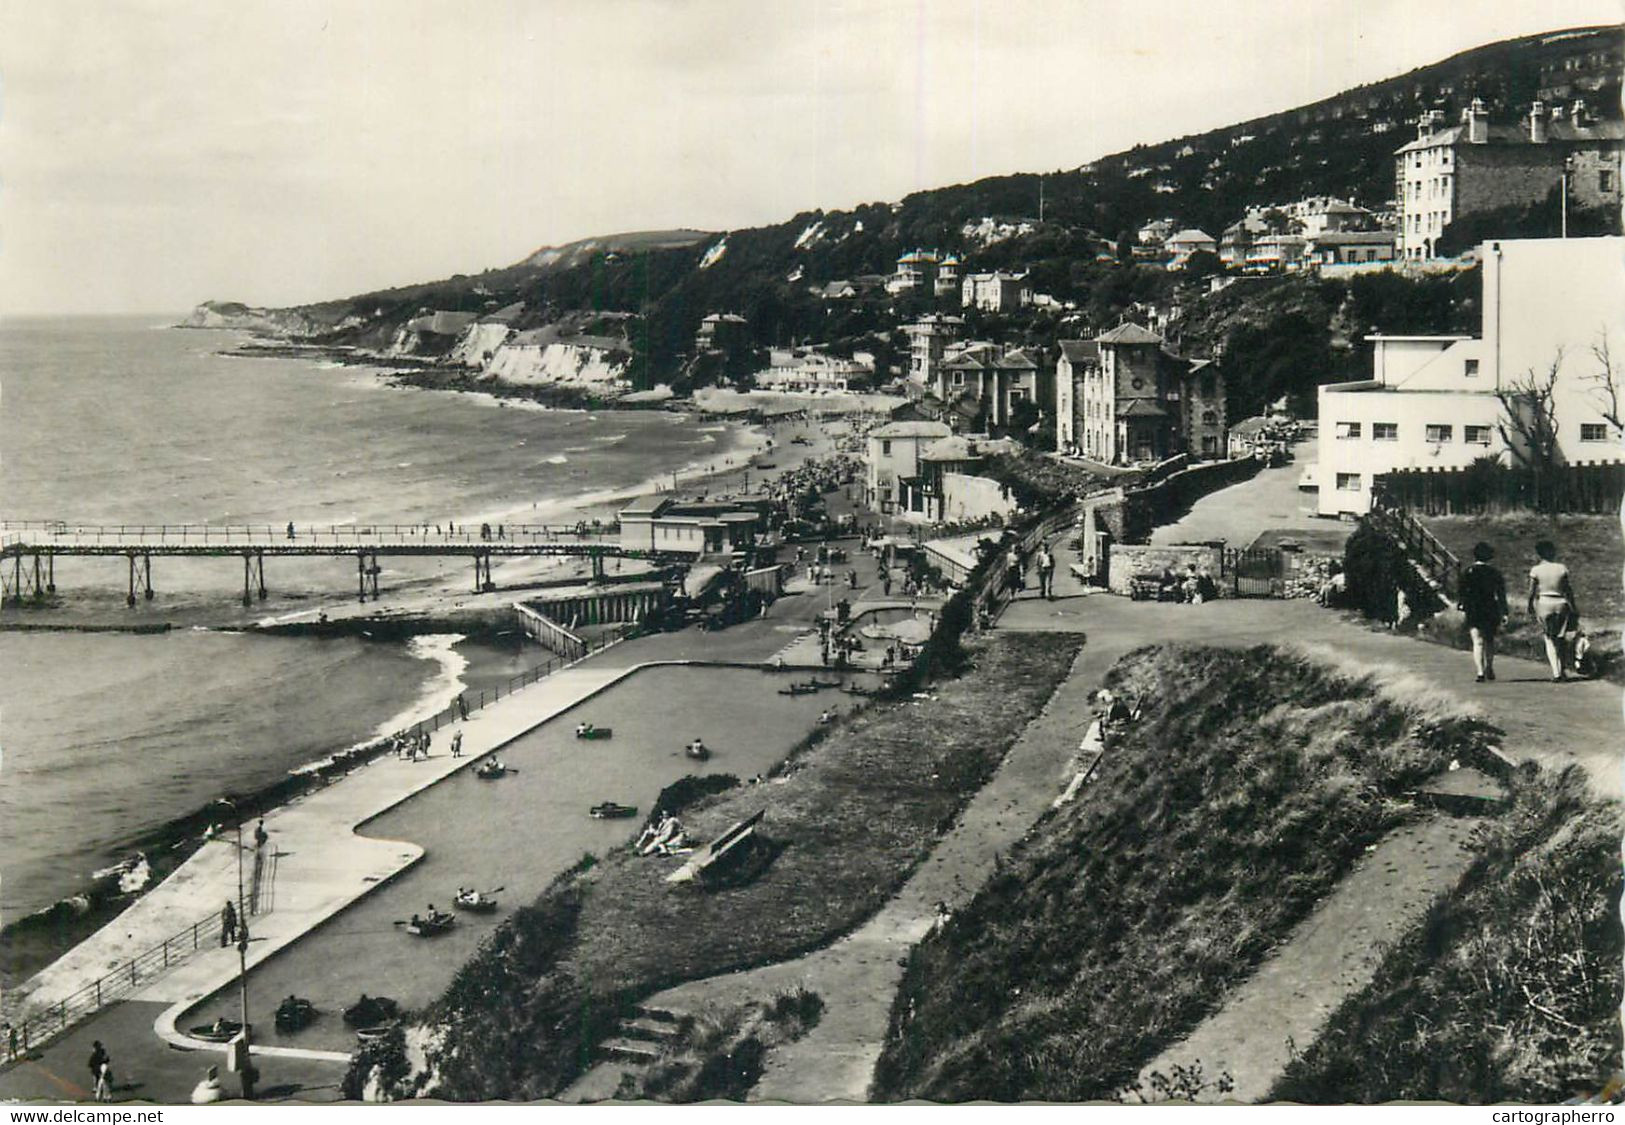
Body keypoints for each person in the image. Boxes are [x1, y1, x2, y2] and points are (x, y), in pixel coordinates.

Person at [1527, 539, 1579, 682]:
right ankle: (1563, 670)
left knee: (1549, 638)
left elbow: (1531, 591)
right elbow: (1568, 590)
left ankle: (1556, 673)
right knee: (1561, 638)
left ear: (1539, 554)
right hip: (1561, 602)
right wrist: (1573, 607)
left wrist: (1530, 605)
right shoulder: (1561, 568)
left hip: (1544, 602)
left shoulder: (1536, 570)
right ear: (1552, 552)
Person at [1458, 542, 1508, 683]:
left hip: (1473, 609)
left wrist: (1462, 605)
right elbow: (1501, 594)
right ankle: (1489, 667)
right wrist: (1504, 612)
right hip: (1490, 608)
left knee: (1477, 641)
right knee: (1489, 640)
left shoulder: (1468, 572)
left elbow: (1462, 593)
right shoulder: (1495, 573)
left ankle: (1480, 672)